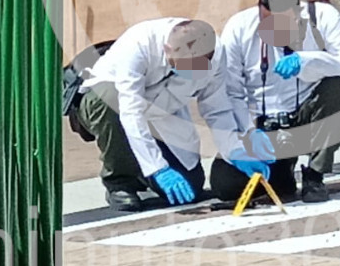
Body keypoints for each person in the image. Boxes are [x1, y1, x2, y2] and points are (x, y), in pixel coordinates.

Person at [75, 18, 264, 212]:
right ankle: (120, 182)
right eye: (184, 64)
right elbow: (131, 113)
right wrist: (158, 169)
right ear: (167, 49)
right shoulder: (138, 44)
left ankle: (140, 169)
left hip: (162, 114)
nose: (190, 71)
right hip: (112, 104)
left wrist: (233, 149)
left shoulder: (216, 53)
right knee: (110, 101)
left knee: (189, 188)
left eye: (196, 66)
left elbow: (216, 108)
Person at [213, 0, 340, 204]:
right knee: (225, 185)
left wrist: (308, 61)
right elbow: (230, 91)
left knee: (338, 87)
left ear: (296, 13)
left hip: (310, 115)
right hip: (265, 127)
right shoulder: (239, 27)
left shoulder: (322, 17)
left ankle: (315, 174)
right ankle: (282, 173)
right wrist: (248, 131)